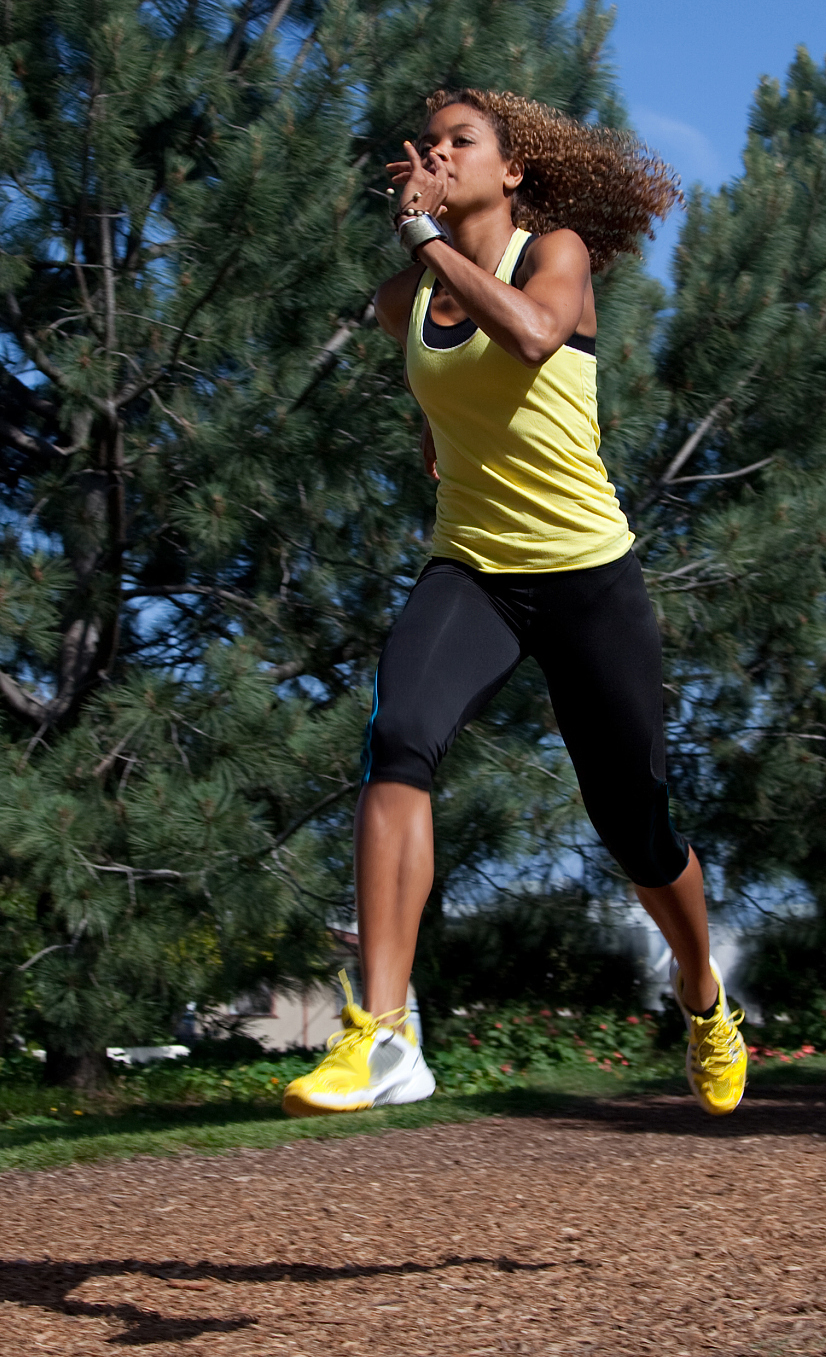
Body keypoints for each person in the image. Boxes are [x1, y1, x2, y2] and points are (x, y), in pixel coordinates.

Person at [282, 88, 747, 1119]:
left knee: (636, 825)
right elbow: (441, 417)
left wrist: (421, 234)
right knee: (398, 737)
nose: (439, 156)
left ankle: (702, 992)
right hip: (475, 572)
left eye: (463, 143)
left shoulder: (555, 254)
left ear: (512, 171)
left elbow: (536, 336)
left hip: (587, 577)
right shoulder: (403, 296)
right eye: (430, 143)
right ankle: (386, 1028)